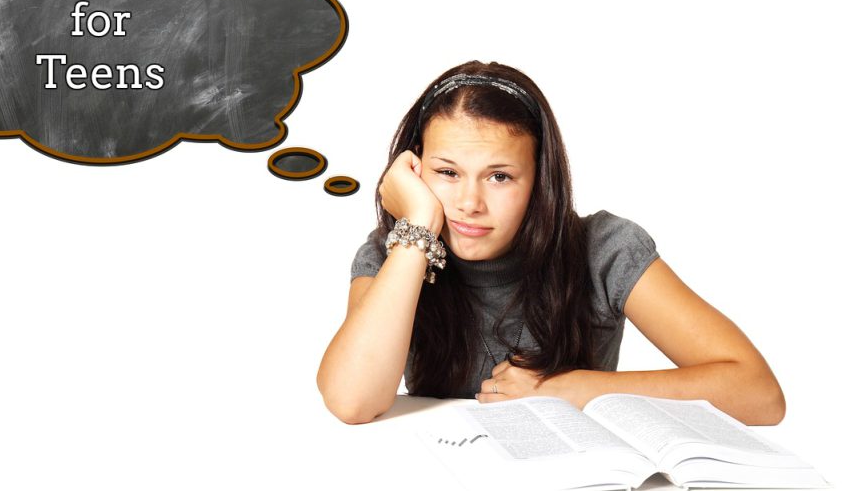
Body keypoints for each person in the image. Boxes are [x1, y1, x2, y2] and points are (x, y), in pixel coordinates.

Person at [316, 60, 785, 426]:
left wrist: (573, 389)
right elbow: (351, 401)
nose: (469, 202)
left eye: (499, 176)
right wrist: (417, 225)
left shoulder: (605, 248)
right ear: (414, 170)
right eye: (447, 173)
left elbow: (758, 393)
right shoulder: (395, 254)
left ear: (540, 180)